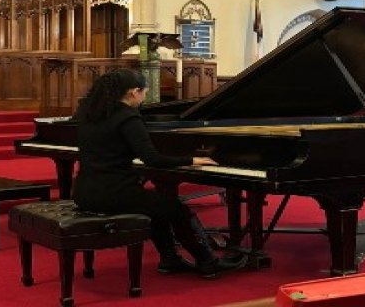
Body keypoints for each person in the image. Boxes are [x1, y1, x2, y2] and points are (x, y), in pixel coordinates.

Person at [71, 68, 247, 278]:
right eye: (144, 93)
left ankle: (170, 259)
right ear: (134, 92)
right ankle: (208, 262)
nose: (144, 98)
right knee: (177, 209)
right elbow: (153, 160)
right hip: (112, 194)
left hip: (83, 192)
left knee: (156, 207)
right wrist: (192, 160)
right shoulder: (128, 118)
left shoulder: (90, 114)